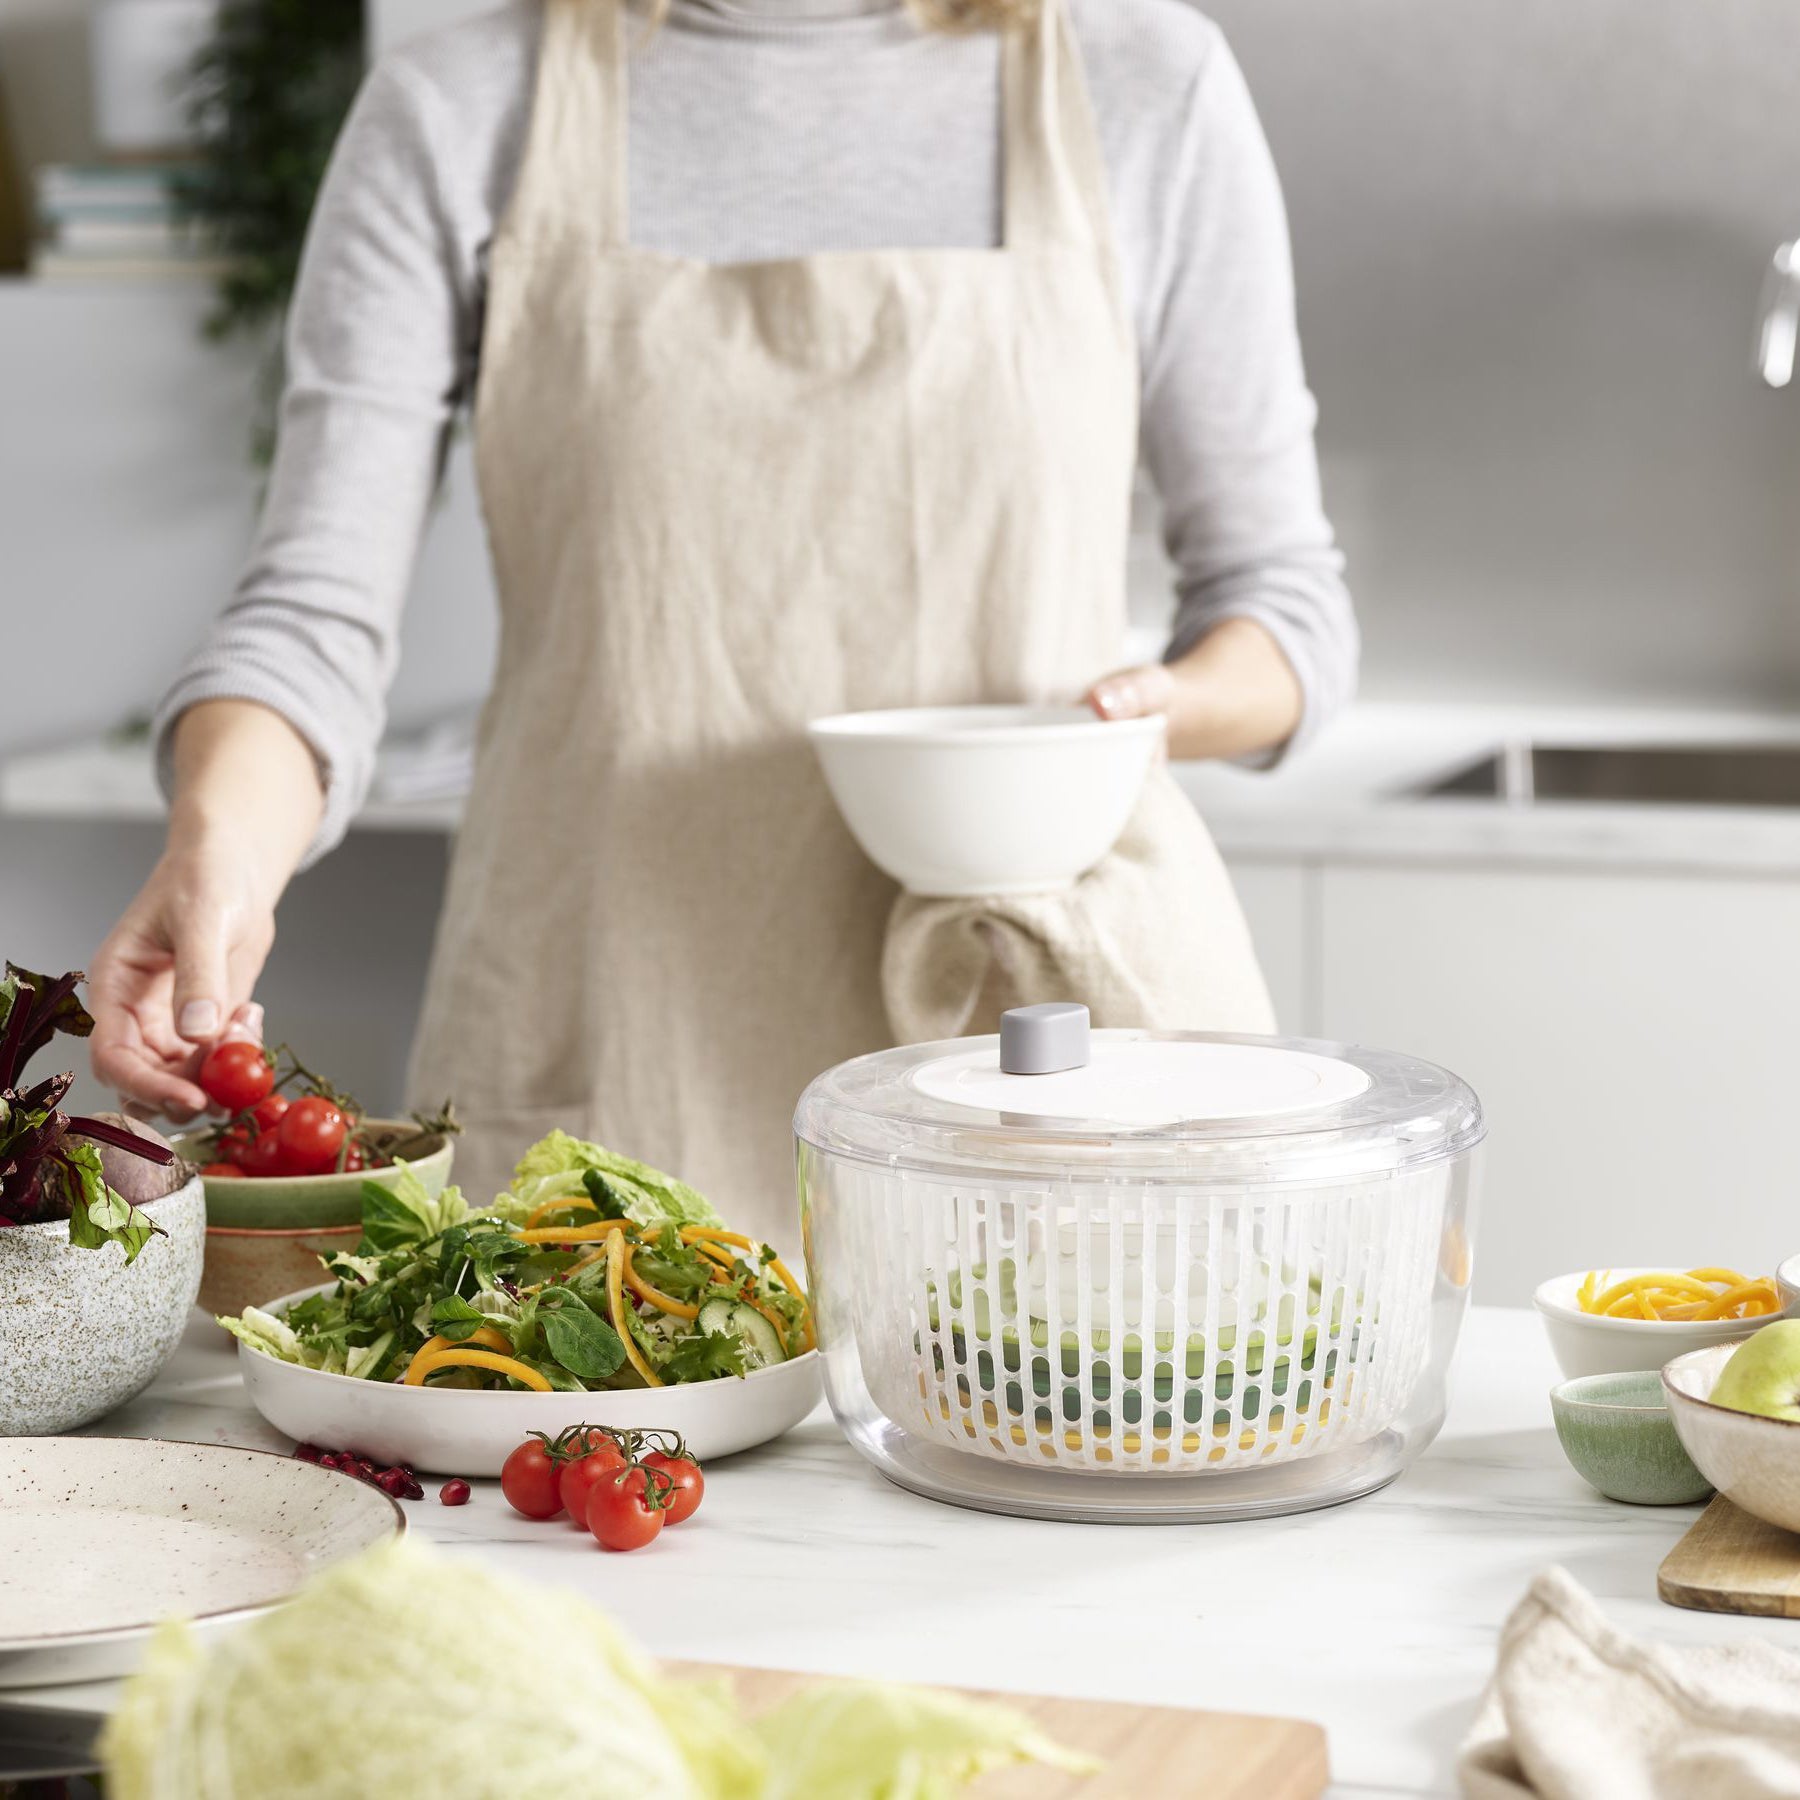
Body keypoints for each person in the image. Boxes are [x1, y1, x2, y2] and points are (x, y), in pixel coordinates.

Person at [89, 0, 1356, 1243]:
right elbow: (315, 614)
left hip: (1036, 1059)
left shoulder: (1145, 80)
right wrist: (221, 856)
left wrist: (1133, 720)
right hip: (620, 1040)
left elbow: (1282, 610)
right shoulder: (462, 107)